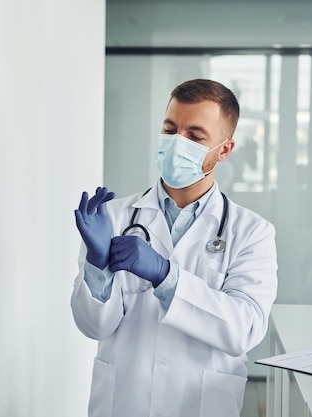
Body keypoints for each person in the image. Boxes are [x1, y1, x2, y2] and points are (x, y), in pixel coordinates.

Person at [71, 79, 278, 417]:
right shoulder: (114, 216)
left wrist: (166, 276)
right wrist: (97, 266)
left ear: (224, 150)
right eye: (170, 129)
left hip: (200, 404)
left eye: (195, 137)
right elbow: (93, 327)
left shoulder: (252, 232)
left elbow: (244, 330)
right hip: (125, 401)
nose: (177, 143)